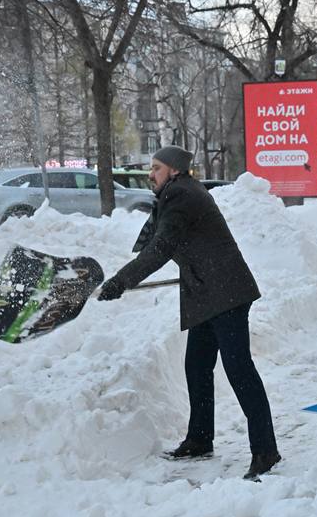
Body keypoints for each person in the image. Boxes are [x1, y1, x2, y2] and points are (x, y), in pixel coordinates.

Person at [97, 145, 281, 480]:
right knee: (196, 366)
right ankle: (199, 439)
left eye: (156, 168)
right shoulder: (179, 192)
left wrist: (121, 281)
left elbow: (161, 248)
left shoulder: (181, 196)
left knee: (239, 370)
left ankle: (266, 450)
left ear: (174, 170)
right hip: (208, 291)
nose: (150, 174)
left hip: (225, 293)